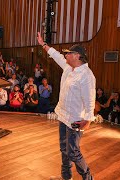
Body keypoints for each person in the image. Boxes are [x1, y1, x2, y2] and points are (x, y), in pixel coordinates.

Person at [37, 32, 95, 180]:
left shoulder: (87, 76)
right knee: (64, 149)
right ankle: (66, 177)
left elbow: (90, 100)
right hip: (63, 116)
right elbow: (56, 56)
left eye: (68, 54)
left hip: (76, 119)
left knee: (73, 152)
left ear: (77, 56)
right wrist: (43, 45)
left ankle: (88, 178)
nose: (66, 56)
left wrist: (88, 120)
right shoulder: (69, 68)